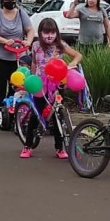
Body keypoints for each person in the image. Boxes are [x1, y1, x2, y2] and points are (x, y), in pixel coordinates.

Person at [21, 18, 82, 159]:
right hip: (39, 86)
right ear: (40, 33)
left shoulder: (61, 45)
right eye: (46, 33)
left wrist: (72, 63)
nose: (49, 36)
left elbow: (78, 55)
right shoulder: (36, 46)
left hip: (57, 85)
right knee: (36, 115)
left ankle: (60, 148)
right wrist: (32, 78)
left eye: (53, 32)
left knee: (58, 116)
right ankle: (28, 145)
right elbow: (35, 64)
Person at [0, 0, 36, 116]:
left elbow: (30, 30)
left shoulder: (21, 14)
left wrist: (28, 41)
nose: (12, 3)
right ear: (3, 2)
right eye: (9, 1)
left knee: (17, 85)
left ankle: (14, 111)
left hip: (18, 57)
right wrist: (4, 41)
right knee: (0, 86)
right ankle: (0, 112)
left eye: (14, 1)